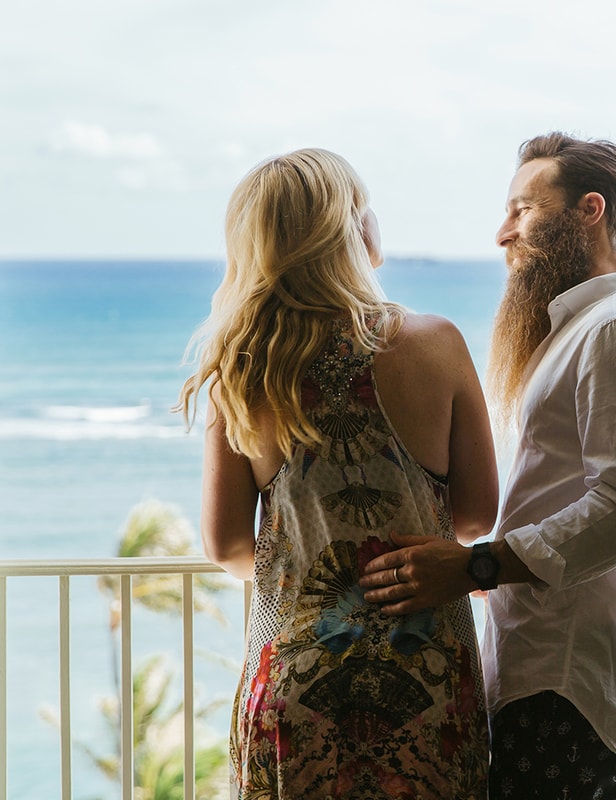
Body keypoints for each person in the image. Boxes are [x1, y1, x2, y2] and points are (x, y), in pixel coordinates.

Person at [361, 132, 616, 799]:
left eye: (523, 210)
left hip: (570, 680)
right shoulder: (589, 330)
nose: (502, 233)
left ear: (589, 211)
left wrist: (476, 565)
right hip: (552, 669)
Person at [176, 147, 498, 799]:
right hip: (425, 684)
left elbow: (228, 546)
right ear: (350, 229)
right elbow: (476, 516)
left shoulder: (243, 363)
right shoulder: (436, 342)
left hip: (298, 692)